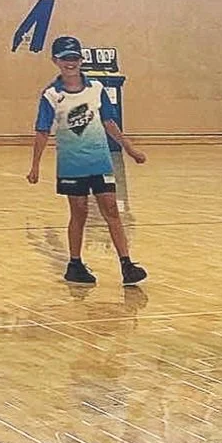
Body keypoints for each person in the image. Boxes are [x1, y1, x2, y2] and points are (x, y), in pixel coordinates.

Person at [26, 35, 148, 285]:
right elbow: (42, 131)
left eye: (74, 58)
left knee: (111, 209)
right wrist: (35, 165)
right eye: (65, 59)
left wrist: (129, 148)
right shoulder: (51, 95)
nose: (70, 63)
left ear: (81, 60)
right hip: (72, 164)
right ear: (55, 61)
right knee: (79, 212)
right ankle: (75, 264)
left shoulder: (96, 89)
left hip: (99, 161)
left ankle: (127, 264)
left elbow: (109, 122)